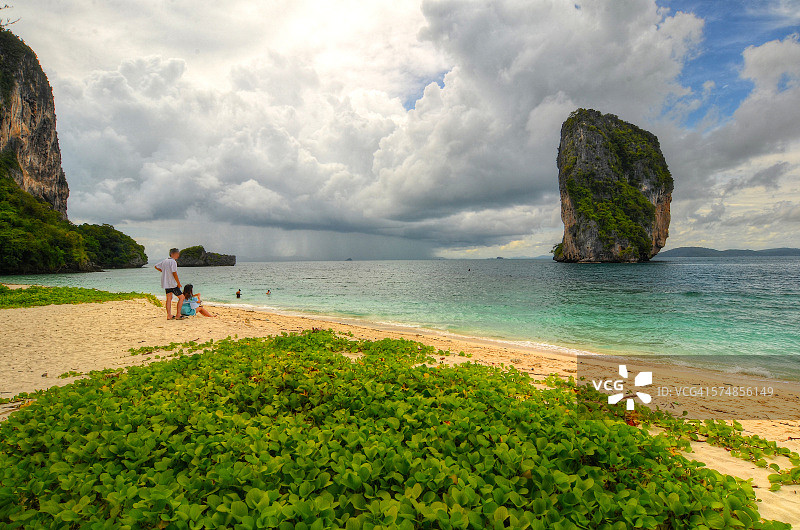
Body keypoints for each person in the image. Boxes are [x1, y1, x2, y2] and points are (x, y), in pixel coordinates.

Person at [154, 248, 185, 320]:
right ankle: (178, 315)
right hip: (172, 284)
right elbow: (174, 273)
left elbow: (156, 266)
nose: (178, 255)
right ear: (173, 254)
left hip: (166, 283)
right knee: (181, 297)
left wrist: (163, 271)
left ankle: (169, 315)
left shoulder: (165, 261)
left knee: (169, 298)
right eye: (177, 253)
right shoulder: (173, 262)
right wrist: (178, 283)